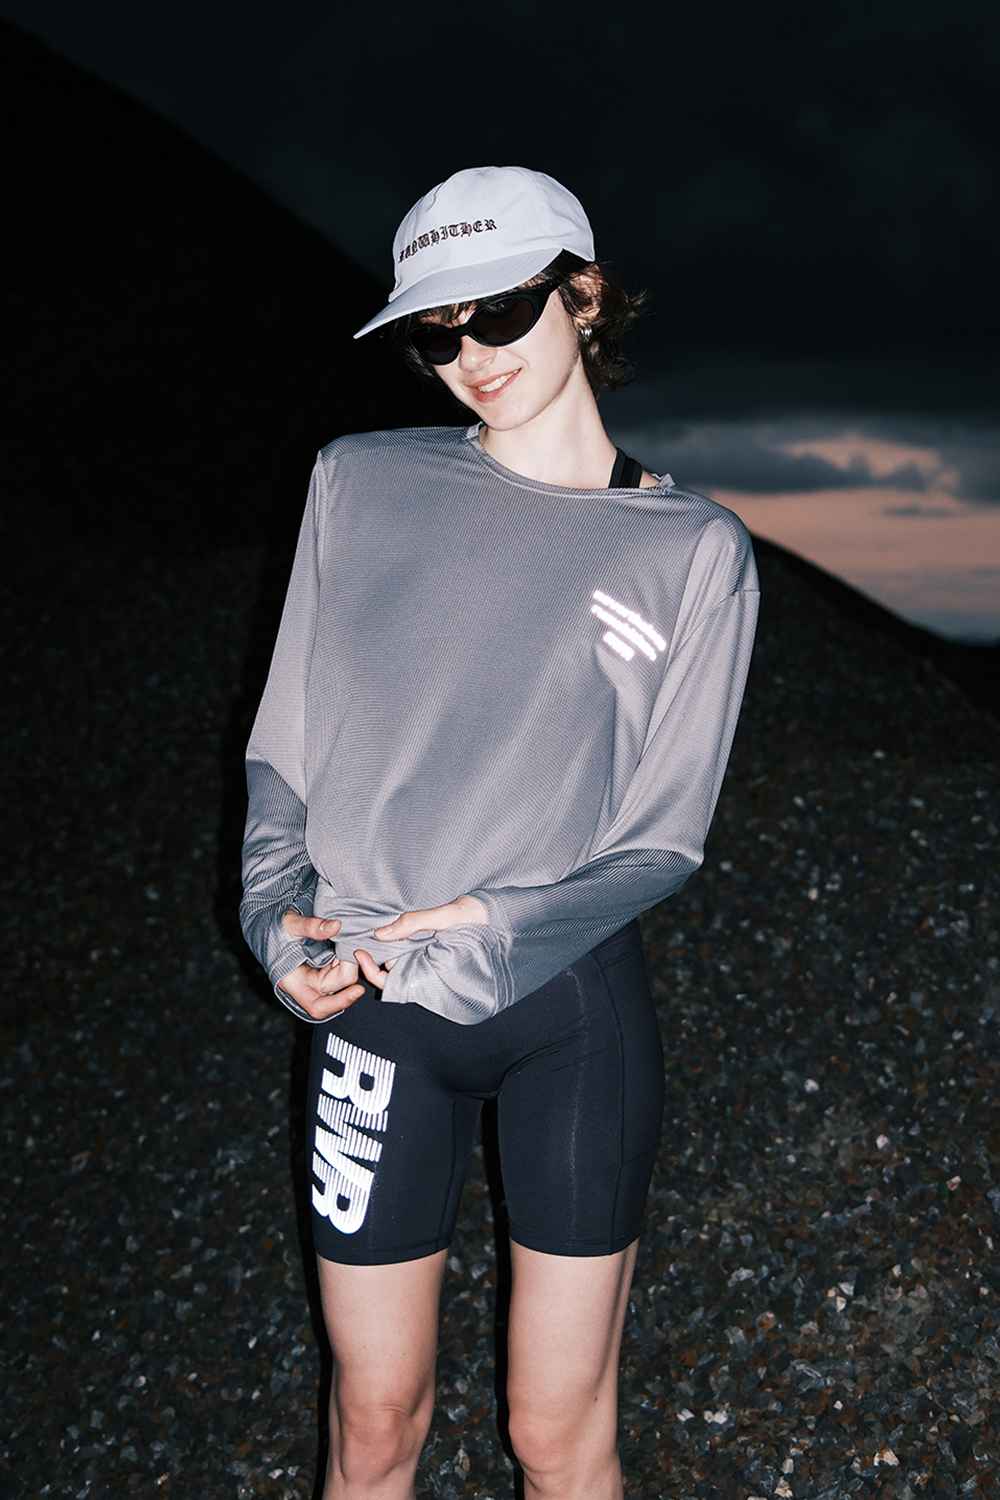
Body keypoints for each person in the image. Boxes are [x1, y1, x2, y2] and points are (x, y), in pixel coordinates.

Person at [240, 165, 759, 1500]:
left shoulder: (692, 552)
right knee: (372, 1425)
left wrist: (492, 921)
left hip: (567, 1015)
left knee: (556, 1436)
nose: (473, 354)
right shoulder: (360, 483)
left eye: (504, 312)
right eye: (438, 331)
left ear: (583, 297)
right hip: (372, 1006)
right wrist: (270, 914)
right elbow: (285, 743)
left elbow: (664, 840)